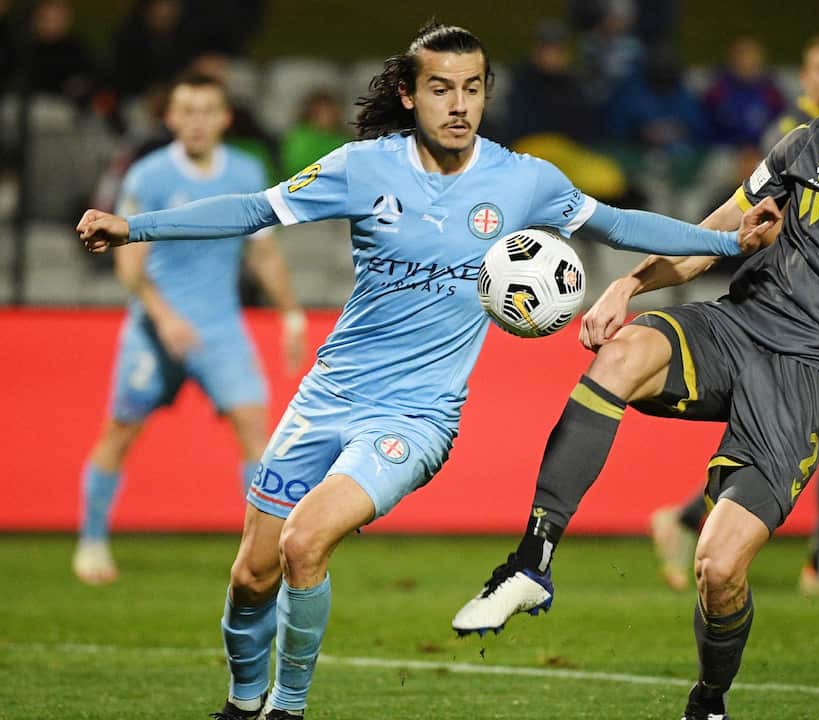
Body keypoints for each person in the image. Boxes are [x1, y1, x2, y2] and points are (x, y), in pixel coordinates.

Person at [77, 22, 772, 720]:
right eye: (442, 88)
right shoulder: (362, 168)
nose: (459, 104)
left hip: (417, 417)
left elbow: (618, 225)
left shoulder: (522, 181)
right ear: (410, 95)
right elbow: (257, 210)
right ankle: (240, 702)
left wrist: (724, 241)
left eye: (472, 89)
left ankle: (286, 709)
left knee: (303, 541)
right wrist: (134, 229)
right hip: (328, 397)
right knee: (252, 574)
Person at [453, 17, 819, 719]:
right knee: (627, 349)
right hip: (739, 325)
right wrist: (627, 286)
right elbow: (710, 239)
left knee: (720, 570)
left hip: (811, 377)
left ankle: (709, 701)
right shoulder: (809, 144)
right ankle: (532, 561)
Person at [652, 29, 819, 597]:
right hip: (791, 311)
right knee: (813, 432)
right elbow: (766, 223)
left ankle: (700, 523)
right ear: (807, 78)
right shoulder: (797, 137)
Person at [73, 71, 305, 586]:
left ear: (225, 119)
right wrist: (164, 317)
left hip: (221, 330)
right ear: (170, 117)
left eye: (207, 111)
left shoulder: (247, 170)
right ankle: (91, 541)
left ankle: (262, 554)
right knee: (120, 431)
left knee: (256, 431)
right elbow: (130, 265)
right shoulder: (149, 176)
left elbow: (264, 252)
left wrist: (289, 311)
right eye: (186, 110)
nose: (196, 121)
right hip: (155, 330)